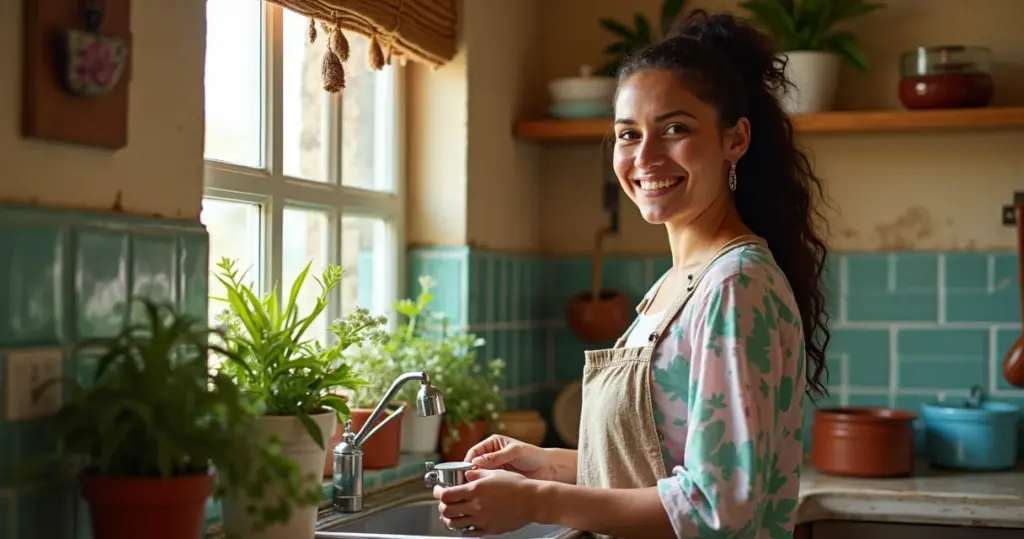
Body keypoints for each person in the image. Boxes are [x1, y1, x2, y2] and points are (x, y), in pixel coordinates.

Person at [432, 10, 831, 539]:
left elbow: (715, 510)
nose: (645, 156)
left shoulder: (735, 285)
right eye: (628, 134)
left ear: (735, 139)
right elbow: (656, 464)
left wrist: (538, 500)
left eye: (675, 129)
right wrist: (546, 464)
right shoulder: (677, 284)